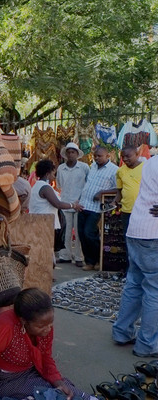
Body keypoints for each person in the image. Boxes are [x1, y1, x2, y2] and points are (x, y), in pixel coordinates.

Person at [0, 288, 94, 400]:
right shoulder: (3, 327)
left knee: (68, 391)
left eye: (50, 323)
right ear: (23, 321)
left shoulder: (45, 326)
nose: (48, 329)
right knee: (48, 394)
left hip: (31, 371)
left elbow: (45, 358)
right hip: (3, 379)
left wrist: (57, 381)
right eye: (41, 326)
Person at [112, 155, 158, 357]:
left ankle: (122, 333)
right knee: (154, 290)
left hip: (137, 229)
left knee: (134, 284)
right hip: (153, 234)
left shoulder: (149, 163)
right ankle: (147, 344)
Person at [29, 160, 83, 257]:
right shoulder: (45, 187)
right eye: (53, 173)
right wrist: (73, 205)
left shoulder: (36, 186)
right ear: (47, 173)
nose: (54, 176)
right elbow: (57, 204)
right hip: (45, 225)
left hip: (38, 223)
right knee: (46, 255)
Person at [77, 146, 118, 271]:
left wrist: (102, 192)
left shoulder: (114, 170)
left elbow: (118, 189)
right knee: (82, 235)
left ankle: (99, 260)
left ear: (107, 156)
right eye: (95, 156)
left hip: (96, 208)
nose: (96, 158)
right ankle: (89, 262)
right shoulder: (93, 166)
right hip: (83, 205)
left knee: (89, 234)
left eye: (99, 156)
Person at [56, 142, 89, 267]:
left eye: (73, 152)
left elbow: (88, 184)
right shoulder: (60, 168)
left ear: (77, 154)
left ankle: (79, 257)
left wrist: (80, 200)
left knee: (79, 232)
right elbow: (59, 185)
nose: (71, 155)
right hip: (65, 202)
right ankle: (65, 256)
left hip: (80, 203)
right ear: (65, 154)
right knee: (65, 232)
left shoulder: (84, 167)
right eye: (68, 152)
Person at [112, 145, 144, 272]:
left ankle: (143, 270)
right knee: (128, 242)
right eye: (123, 156)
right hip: (126, 212)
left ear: (136, 154)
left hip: (142, 212)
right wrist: (115, 201)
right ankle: (130, 271)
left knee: (142, 242)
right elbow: (119, 191)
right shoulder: (120, 171)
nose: (125, 159)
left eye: (128, 156)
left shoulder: (146, 168)